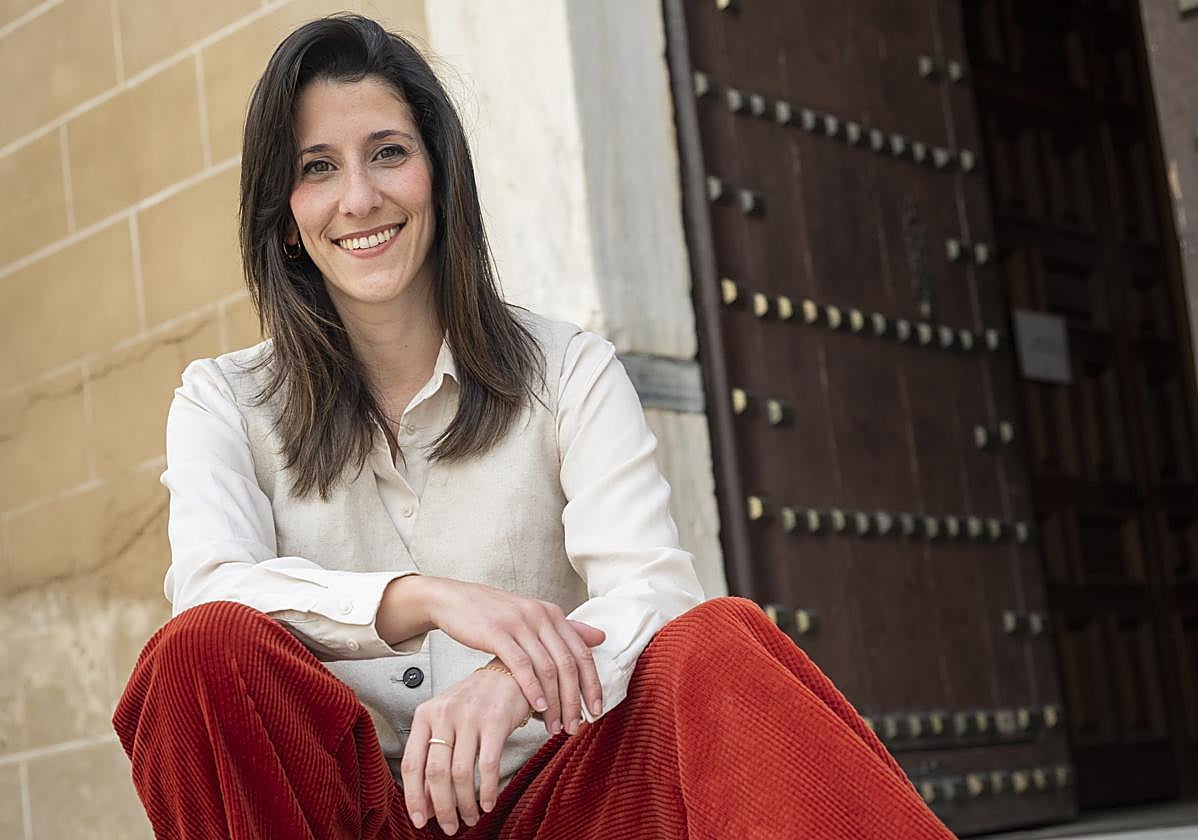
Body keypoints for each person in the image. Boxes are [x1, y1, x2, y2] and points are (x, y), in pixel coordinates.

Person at [112, 13, 955, 840]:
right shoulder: (222, 399)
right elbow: (213, 589)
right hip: (341, 813)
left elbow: (653, 593)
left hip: (556, 803)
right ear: (285, 215)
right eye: (317, 167)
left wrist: (515, 677)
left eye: (389, 153)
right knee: (200, 652)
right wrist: (426, 601)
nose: (360, 197)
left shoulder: (568, 370)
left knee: (718, 639)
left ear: (439, 174)